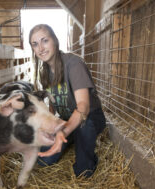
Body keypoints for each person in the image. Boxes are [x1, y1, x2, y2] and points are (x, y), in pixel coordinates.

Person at [29, 24, 106, 178]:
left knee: (83, 171)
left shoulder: (74, 64)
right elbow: (52, 103)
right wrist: (50, 128)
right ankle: (72, 138)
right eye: (35, 44)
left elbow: (83, 107)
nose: (41, 48)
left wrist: (63, 132)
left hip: (89, 118)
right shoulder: (45, 71)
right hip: (67, 119)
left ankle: (84, 157)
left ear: (55, 41)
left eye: (45, 41)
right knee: (44, 160)